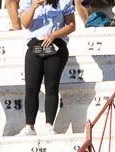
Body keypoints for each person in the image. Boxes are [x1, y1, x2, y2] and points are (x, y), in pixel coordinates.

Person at [18, 0, 75, 136]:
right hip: (34, 45)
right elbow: (25, 24)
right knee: (31, 86)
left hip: (55, 44)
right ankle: (29, 126)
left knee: (51, 86)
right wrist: (33, 6)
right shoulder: (28, 1)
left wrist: (54, 34)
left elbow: (71, 25)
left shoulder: (63, 1)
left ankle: (49, 125)